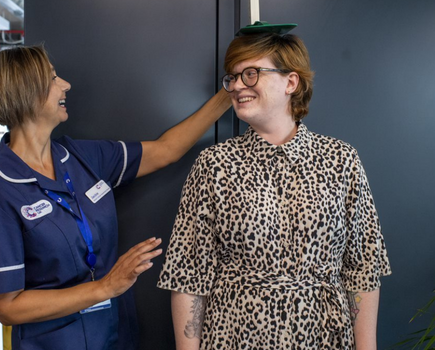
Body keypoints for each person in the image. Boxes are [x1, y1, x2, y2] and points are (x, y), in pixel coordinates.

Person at [0, 45, 231, 350]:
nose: (65, 84)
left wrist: (229, 91)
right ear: (24, 93)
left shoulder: (80, 157)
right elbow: (7, 308)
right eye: (53, 79)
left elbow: (166, 150)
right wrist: (104, 287)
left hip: (116, 335)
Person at [157, 32, 391, 350]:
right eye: (233, 77)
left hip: (322, 338)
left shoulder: (341, 160)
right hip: (235, 337)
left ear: (290, 82)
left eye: (251, 73)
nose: (237, 85)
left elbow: (362, 269)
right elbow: (188, 276)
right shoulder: (214, 164)